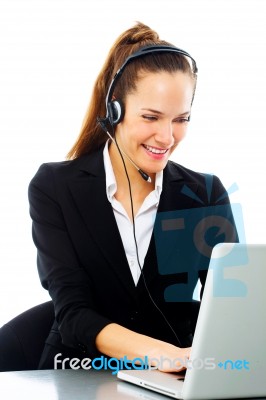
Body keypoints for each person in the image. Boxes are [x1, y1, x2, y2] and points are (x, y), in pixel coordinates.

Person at [28, 22, 238, 371]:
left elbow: (229, 313)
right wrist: (164, 355)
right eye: (151, 117)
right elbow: (74, 314)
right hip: (79, 374)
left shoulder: (204, 195)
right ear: (116, 110)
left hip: (173, 382)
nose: (167, 137)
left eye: (181, 119)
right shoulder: (55, 187)